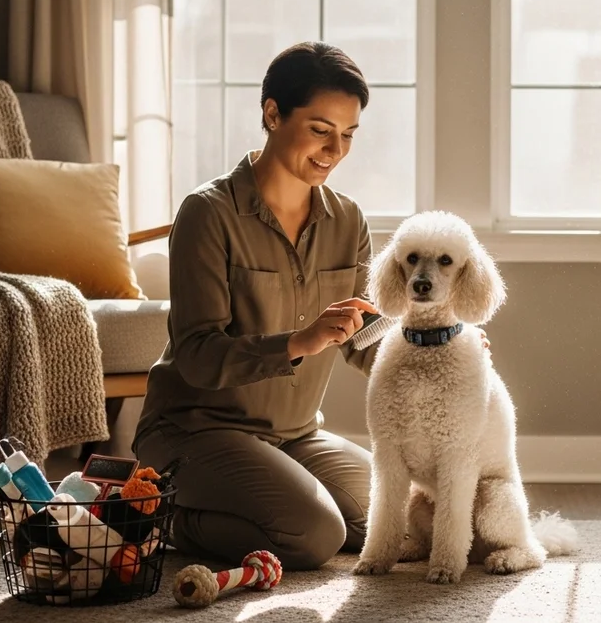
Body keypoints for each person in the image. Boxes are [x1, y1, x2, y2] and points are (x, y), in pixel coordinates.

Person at [133, 41, 411, 569]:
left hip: (296, 435)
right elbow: (195, 353)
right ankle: (157, 514)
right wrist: (300, 342)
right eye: (321, 129)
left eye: (348, 134)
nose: (336, 150)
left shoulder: (348, 220)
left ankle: (264, 493)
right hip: (196, 429)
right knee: (315, 536)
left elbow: (361, 340)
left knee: (395, 518)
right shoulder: (207, 214)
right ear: (272, 113)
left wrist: (430, 353)